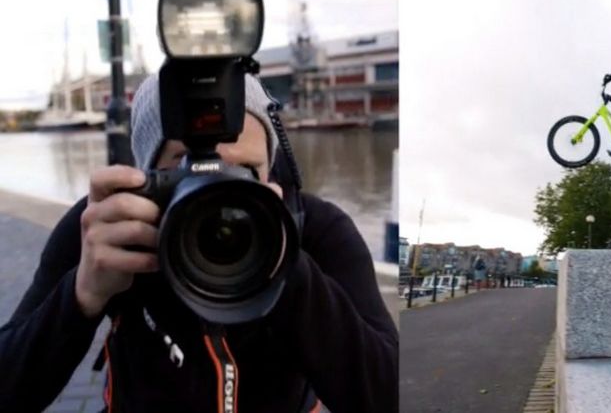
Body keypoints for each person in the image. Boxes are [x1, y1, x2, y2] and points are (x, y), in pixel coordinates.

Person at [0, 74, 398, 413]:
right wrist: (80, 296)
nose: (220, 193)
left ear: (272, 171)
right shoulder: (109, 228)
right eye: (189, 169)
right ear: (147, 176)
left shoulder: (314, 229)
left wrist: (289, 269)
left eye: (245, 171)